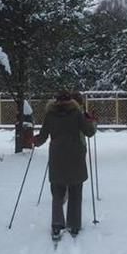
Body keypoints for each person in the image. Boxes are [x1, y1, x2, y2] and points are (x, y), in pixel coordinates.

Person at [34, 90, 96, 239]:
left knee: (57, 192)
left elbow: (42, 137)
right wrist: (92, 121)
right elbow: (89, 132)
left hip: (57, 157)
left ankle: (57, 225)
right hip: (75, 155)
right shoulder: (77, 113)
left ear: (56, 101)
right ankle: (74, 225)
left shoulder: (50, 115)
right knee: (75, 191)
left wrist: (35, 141)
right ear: (70, 100)